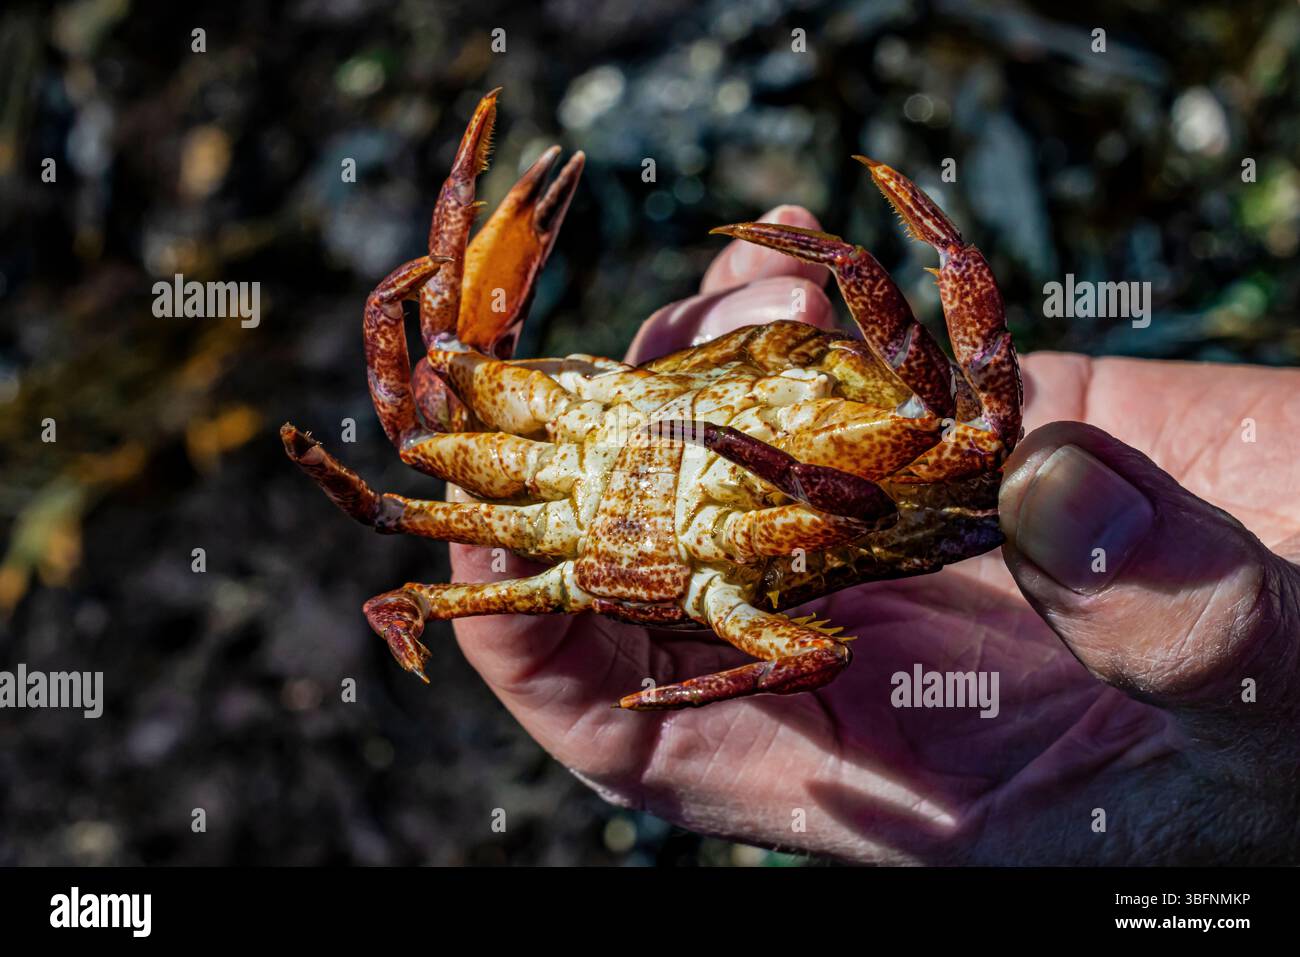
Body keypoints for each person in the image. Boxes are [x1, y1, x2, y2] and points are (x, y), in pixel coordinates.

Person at [447, 205, 1300, 865]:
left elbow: (970, 431)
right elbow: (432, 391)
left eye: (801, 359)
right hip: (657, 523)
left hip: (814, 548)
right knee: (451, 383)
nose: (765, 362)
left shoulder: (896, 451)